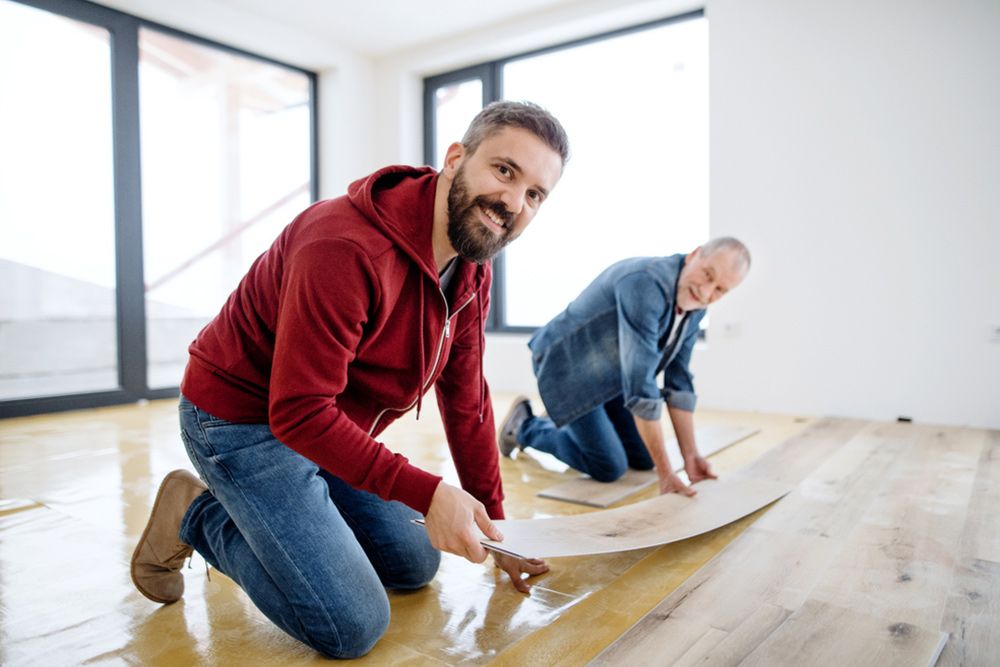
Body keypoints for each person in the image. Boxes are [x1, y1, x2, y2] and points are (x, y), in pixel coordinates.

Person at [129, 101, 569, 659]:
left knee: (415, 564)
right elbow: (297, 412)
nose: (513, 202)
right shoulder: (343, 245)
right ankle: (197, 514)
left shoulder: (471, 267)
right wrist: (429, 491)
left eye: (535, 194)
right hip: (240, 421)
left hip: (320, 425)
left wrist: (496, 527)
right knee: (351, 624)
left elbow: (466, 399)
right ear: (456, 158)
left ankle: (293, 512)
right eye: (505, 171)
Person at [498, 238, 751, 497]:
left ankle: (564, 418)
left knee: (643, 459)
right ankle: (525, 427)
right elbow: (641, 388)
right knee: (609, 466)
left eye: (720, 290)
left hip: (610, 376)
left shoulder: (695, 306)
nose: (706, 292)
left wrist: (692, 457)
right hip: (567, 371)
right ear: (694, 255)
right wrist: (666, 475)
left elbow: (679, 383)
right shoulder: (645, 284)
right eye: (708, 275)